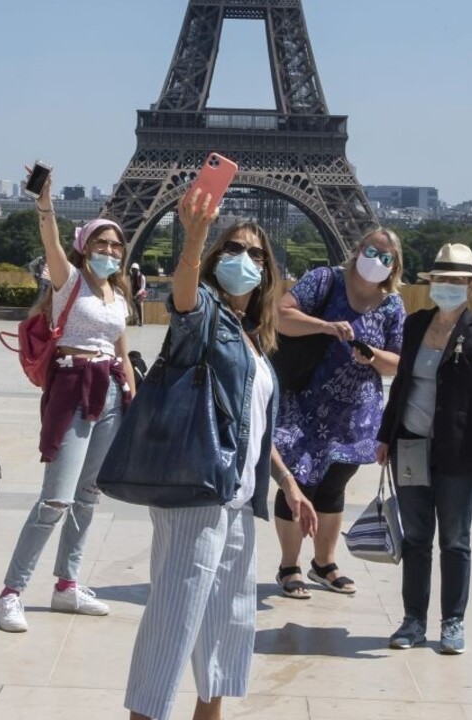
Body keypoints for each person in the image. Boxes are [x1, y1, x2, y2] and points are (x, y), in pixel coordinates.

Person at [125, 189, 317, 720]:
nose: (247, 260)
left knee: (228, 616)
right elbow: (183, 296)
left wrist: (288, 483)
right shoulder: (204, 314)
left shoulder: (252, 338)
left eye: (258, 255)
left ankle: (208, 715)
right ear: (215, 258)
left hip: (237, 497)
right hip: (195, 490)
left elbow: (253, 428)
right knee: (174, 614)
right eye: (235, 248)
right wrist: (193, 238)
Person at [0, 170, 140, 633]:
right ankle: (12, 591)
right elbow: (50, 239)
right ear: (85, 247)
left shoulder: (118, 293)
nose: (110, 251)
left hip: (111, 390)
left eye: (116, 245)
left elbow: (118, 341)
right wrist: (45, 204)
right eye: (102, 243)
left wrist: (131, 377)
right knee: (55, 500)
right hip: (73, 386)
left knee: (88, 496)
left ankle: (66, 585)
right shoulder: (70, 280)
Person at [375, 243, 472, 656]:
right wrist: (385, 436)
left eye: (457, 281)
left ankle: (452, 621)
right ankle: (413, 620)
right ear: (431, 284)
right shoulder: (415, 325)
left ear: (470, 286)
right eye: (442, 280)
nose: (448, 287)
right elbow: (401, 383)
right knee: (416, 539)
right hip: (411, 446)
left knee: (455, 540)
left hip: (460, 451)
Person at [271, 228, 405, 599]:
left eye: (386, 257)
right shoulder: (324, 280)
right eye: (371, 251)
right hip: (304, 403)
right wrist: (326, 327)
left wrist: (373, 356)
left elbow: (398, 362)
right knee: (298, 480)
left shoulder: (392, 305)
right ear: (357, 249)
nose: (377, 260)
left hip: (354, 414)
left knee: (333, 487)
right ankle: (289, 565)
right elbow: (281, 315)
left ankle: (324, 563)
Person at [128, 262, 147, 326]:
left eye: (134, 270)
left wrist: (137, 295)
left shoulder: (142, 277)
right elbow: (131, 285)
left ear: (138, 270)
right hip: (134, 292)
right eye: (132, 269)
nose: (133, 271)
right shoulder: (132, 276)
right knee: (132, 306)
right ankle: (134, 321)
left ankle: (141, 321)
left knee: (138, 304)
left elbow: (143, 287)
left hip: (141, 292)